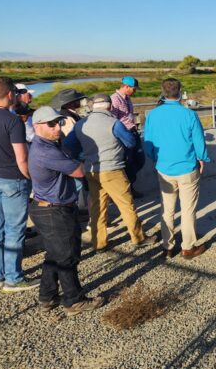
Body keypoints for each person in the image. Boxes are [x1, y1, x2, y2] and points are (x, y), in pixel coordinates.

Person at [28, 106, 105, 315]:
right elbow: (79, 171)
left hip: (47, 207)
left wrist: (64, 141)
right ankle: (73, 300)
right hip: (55, 210)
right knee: (67, 257)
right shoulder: (46, 151)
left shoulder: (49, 144)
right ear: (36, 126)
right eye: (51, 124)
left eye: (58, 122)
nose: (56, 127)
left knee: (55, 254)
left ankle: (47, 296)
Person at [67, 93, 157, 251]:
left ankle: (99, 242)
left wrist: (84, 156)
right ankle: (139, 238)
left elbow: (69, 145)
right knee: (126, 205)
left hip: (91, 170)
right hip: (112, 170)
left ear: (93, 106)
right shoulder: (114, 123)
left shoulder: (80, 124)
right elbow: (129, 142)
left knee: (97, 207)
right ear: (109, 106)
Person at [0, 77, 36, 292]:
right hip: (12, 179)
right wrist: (30, 178)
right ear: (10, 94)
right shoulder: (12, 121)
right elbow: (22, 157)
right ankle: (14, 278)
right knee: (14, 229)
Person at [143, 78, 210, 259]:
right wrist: (202, 158)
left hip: (164, 169)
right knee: (188, 209)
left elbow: (147, 144)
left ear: (163, 92)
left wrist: (157, 158)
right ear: (180, 92)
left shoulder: (152, 115)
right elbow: (199, 142)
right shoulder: (189, 115)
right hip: (187, 168)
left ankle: (168, 246)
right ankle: (187, 247)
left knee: (167, 208)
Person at [111, 77, 146, 196]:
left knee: (139, 160)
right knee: (128, 162)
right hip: (124, 135)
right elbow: (113, 120)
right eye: (134, 89)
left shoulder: (127, 98)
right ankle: (127, 190)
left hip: (132, 132)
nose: (134, 91)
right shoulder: (115, 99)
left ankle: (129, 186)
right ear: (126, 86)